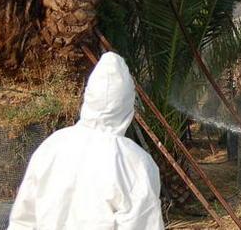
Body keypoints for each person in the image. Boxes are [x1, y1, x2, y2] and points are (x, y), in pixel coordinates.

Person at [8, 52, 164, 230]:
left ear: (88, 97)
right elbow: (142, 224)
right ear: (128, 103)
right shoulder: (135, 163)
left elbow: (23, 218)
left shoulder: (52, 147)